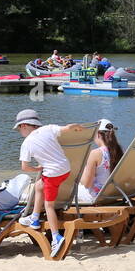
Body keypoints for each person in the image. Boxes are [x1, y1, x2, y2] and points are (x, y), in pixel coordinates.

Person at [14, 109, 85, 258]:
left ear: (25, 125)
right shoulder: (49, 128)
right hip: (65, 169)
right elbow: (68, 127)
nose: (20, 132)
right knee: (39, 185)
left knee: (49, 206)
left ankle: (56, 237)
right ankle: (34, 218)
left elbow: (25, 167)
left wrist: (37, 168)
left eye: (19, 128)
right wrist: (77, 127)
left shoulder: (26, 143)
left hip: (52, 174)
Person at [77, 119, 123, 205]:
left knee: (71, 189)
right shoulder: (119, 151)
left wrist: (81, 172)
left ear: (98, 134)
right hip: (113, 194)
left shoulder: (95, 153)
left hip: (97, 197)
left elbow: (86, 184)